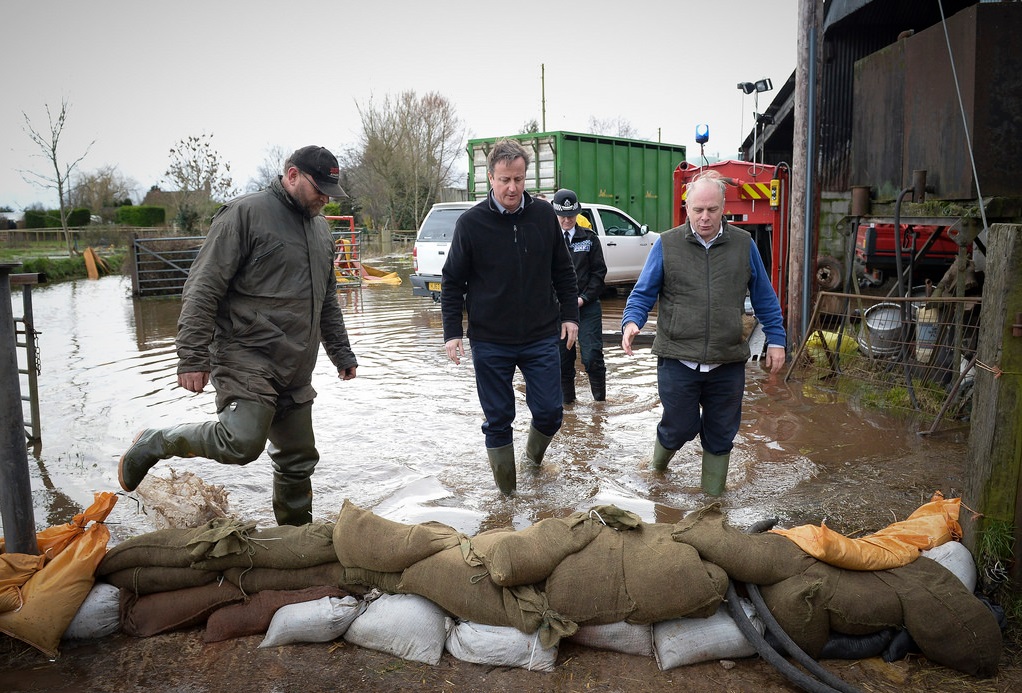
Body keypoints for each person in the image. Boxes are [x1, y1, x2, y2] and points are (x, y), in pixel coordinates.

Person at [118, 145, 358, 525]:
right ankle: (156, 441)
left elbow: (327, 298)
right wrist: (192, 357)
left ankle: (295, 542)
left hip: (296, 363)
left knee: (298, 459)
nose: (326, 198)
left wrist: (342, 354)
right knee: (242, 443)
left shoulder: (321, 230)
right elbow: (202, 287)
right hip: (246, 354)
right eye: (320, 188)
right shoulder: (244, 214)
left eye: (331, 190)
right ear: (292, 175)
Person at [621, 171, 786, 496]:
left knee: (721, 433)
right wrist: (631, 322)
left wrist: (776, 339)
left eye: (712, 209)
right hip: (677, 358)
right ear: (687, 208)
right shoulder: (667, 244)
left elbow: (765, 296)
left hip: (727, 361)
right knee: (679, 426)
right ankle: (657, 467)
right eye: (698, 210)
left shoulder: (743, 245)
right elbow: (642, 293)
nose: (705, 217)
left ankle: (712, 507)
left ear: (723, 207)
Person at [442, 138, 579, 495]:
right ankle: (508, 500)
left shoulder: (543, 215)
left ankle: (532, 462)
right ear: (490, 177)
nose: (512, 188)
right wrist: (452, 332)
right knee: (499, 419)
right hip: (490, 340)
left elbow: (563, 271)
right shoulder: (471, 224)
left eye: (518, 179)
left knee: (551, 412)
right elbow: (453, 280)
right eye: (505, 180)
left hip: (539, 336)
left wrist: (570, 316)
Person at [552, 188, 608, 403]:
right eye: (563, 216)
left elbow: (599, 274)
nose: (567, 220)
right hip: (558, 309)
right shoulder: (548, 240)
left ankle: (600, 404)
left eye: (571, 216)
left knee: (592, 356)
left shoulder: (590, 239)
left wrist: (583, 298)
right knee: (563, 361)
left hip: (587, 306)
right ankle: (568, 408)